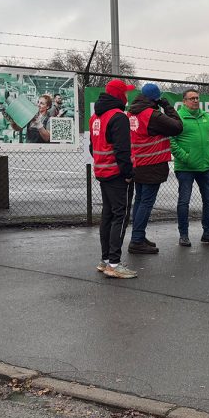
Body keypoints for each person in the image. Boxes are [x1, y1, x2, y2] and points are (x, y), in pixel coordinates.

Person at [127, 83, 184, 255]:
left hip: (138, 163)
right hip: (152, 164)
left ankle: (138, 235)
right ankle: (136, 239)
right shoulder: (152, 115)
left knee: (139, 200)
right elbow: (177, 127)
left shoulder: (132, 113)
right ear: (156, 99)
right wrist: (167, 106)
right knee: (146, 202)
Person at [89, 79, 137, 279]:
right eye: (125, 93)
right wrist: (127, 174)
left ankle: (106, 260)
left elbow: (93, 147)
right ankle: (114, 264)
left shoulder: (95, 117)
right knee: (120, 215)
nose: (127, 97)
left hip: (102, 172)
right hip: (117, 175)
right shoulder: (118, 117)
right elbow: (122, 150)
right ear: (119, 95)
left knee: (108, 215)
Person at [172, 88, 209, 247]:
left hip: (205, 167)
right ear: (184, 101)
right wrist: (185, 157)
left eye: (197, 98)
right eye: (192, 98)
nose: (195, 101)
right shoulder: (178, 118)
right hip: (185, 168)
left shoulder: (207, 117)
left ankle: (208, 233)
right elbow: (171, 141)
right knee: (184, 201)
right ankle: (183, 235)